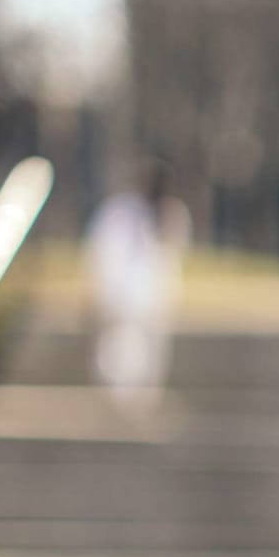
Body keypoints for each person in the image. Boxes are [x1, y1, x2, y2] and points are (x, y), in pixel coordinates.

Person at [84, 161, 188, 414]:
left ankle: (143, 406)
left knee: (150, 358)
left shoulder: (171, 214)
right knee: (120, 353)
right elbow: (104, 252)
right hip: (122, 297)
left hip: (155, 300)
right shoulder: (120, 212)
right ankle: (117, 405)